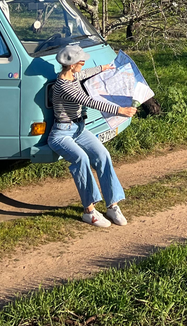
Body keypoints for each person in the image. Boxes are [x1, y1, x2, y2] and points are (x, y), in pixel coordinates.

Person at [47, 44, 137, 227]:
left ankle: (112, 205)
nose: (83, 62)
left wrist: (103, 68)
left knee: (103, 155)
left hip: (79, 129)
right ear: (72, 64)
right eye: (81, 60)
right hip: (61, 135)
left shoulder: (73, 76)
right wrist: (121, 110)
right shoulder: (64, 86)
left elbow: (85, 73)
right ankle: (89, 211)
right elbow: (89, 101)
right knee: (81, 159)